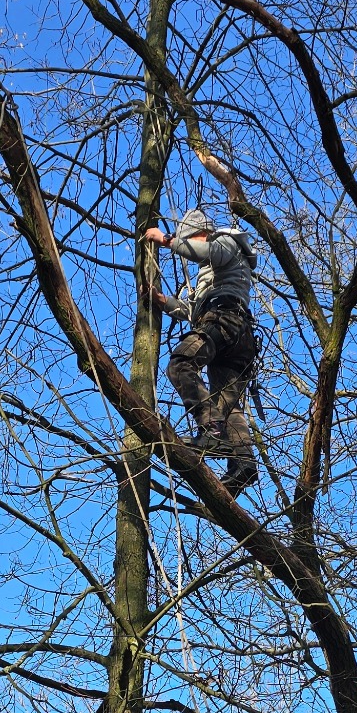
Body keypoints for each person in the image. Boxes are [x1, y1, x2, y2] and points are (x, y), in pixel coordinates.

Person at [144, 207, 259, 497]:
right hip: (235, 334)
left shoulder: (224, 242)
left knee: (181, 364)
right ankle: (242, 464)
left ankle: (211, 430)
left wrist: (167, 240)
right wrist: (164, 302)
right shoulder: (216, 274)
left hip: (224, 321)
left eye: (191, 240)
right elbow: (194, 310)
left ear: (199, 234)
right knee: (227, 406)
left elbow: (203, 252)